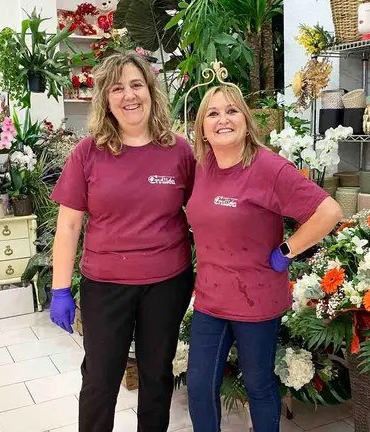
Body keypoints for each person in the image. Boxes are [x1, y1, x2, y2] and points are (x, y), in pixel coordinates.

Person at [49, 51, 195, 432]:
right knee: (99, 379)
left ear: (151, 91)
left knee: (157, 376)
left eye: (136, 85)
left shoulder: (179, 150)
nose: (129, 96)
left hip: (166, 283)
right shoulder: (88, 153)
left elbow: (204, 213)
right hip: (105, 284)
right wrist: (60, 289)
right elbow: (67, 227)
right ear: (105, 99)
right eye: (117, 88)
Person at [185, 85, 343, 432]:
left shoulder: (268, 167)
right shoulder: (200, 165)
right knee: (198, 386)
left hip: (255, 300)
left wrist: (287, 250)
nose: (222, 119)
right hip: (210, 299)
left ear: (245, 119)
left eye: (232, 111)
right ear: (201, 127)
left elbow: (329, 211)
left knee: (258, 386)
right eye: (212, 113)